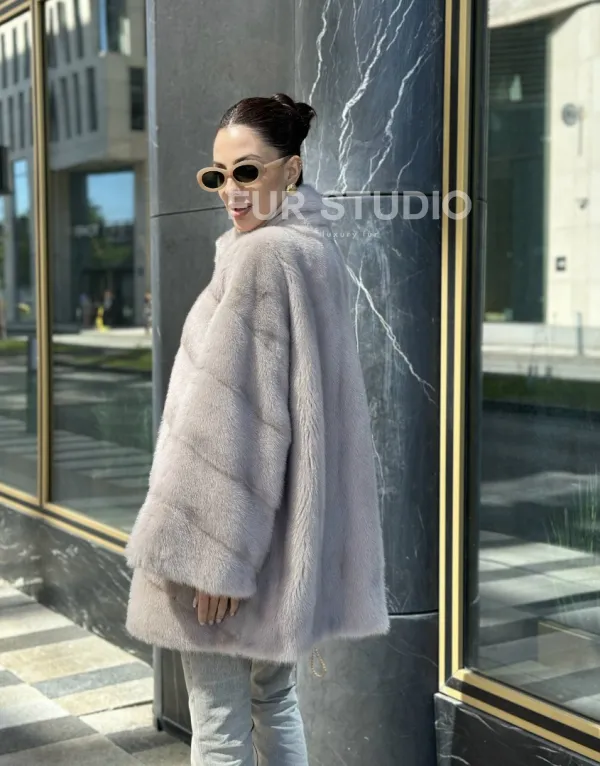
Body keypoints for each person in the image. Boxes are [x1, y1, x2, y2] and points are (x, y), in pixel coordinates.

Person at [125, 93, 389, 766]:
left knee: (219, 727)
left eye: (247, 171)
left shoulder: (260, 259)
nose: (230, 191)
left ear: (291, 170)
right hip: (280, 540)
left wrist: (214, 558)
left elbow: (236, 424)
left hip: (227, 545)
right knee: (274, 702)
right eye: (217, 175)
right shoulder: (312, 251)